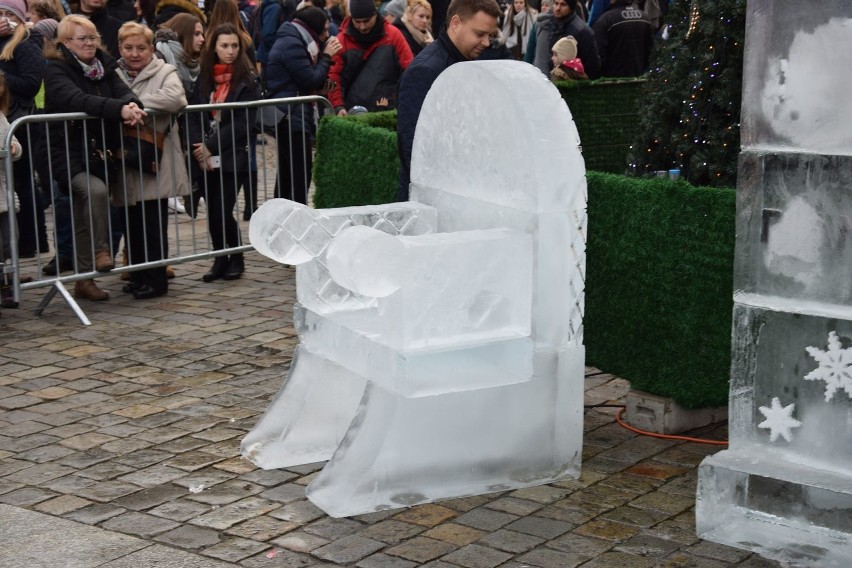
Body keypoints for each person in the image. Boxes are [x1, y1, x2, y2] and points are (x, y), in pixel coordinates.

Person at [43, 14, 146, 301]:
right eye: (82, 38)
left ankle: (84, 279)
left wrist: (134, 105)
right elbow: (75, 100)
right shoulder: (55, 69)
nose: (90, 43)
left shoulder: (104, 66)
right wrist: (119, 110)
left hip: (97, 151)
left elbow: (125, 92)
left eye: (93, 38)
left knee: (82, 214)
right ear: (65, 43)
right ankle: (102, 250)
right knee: (95, 191)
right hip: (65, 151)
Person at [396, 0, 500, 201]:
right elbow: (413, 150)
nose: (487, 43)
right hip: (431, 201)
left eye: (490, 35)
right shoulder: (424, 71)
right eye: (479, 34)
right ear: (456, 23)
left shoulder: (467, 60)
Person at [114, 22, 188, 299]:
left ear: (151, 49)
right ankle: (138, 273)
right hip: (127, 154)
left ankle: (156, 279)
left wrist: (132, 106)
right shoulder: (114, 73)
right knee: (132, 220)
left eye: (141, 48)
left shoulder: (164, 70)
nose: (135, 53)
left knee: (153, 222)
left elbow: (175, 98)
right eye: (128, 48)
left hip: (156, 156)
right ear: (120, 48)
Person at [188, 23, 260, 282]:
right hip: (203, 154)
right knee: (213, 210)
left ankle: (236, 258)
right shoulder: (204, 77)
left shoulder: (247, 80)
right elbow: (192, 113)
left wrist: (212, 146)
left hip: (232, 155)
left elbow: (243, 123)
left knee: (222, 208)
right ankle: (220, 258)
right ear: (214, 47)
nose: (229, 51)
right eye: (224, 46)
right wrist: (198, 146)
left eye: (234, 46)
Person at [266, 6, 340, 204]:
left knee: (290, 171)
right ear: (313, 28)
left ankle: (282, 214)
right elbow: (309, 79)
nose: (327, 34)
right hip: (290, 115)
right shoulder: (292, 43)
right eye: (324, 29)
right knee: (298, 172)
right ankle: (293, 216)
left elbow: (303, 79)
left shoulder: (295, 39)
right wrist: (326, 56)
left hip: (293, 113)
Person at [0, 0, 51, 260]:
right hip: (5, 120)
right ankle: (19, 242)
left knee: (22, 183)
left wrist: (1, 78)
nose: (2, 18)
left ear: (20, 18)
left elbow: (32, 83)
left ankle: (31, 241)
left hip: (20, 121)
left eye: (9, 13)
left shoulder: (26, 41)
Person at [327, 0, 413, 115]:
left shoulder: (393, 36)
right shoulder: (342, 40)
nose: (362, 26)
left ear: (375, 15)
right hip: (352, 111)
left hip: (388, 109)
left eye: (366, 21)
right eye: (357, 22)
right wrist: (338, 106)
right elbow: (334, 76)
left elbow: (409, 70)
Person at [532, 0, 599, 78]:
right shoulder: (552, 24)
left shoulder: (581, 31)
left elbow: (592, 64)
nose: (558, 8)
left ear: (571, 8)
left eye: (563, 5)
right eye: (556, 3)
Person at [591, 0, 654, 77]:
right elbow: (651, 50)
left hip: (615, 81)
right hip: (641, 78)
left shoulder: (605, 20)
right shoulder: (645, 17)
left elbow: (598, 55)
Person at [0, 72, 23, 265]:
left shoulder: (1, 118)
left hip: (4, 193)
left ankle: (9, 278)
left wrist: (14, 148)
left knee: (11, 239)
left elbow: (12, 140)